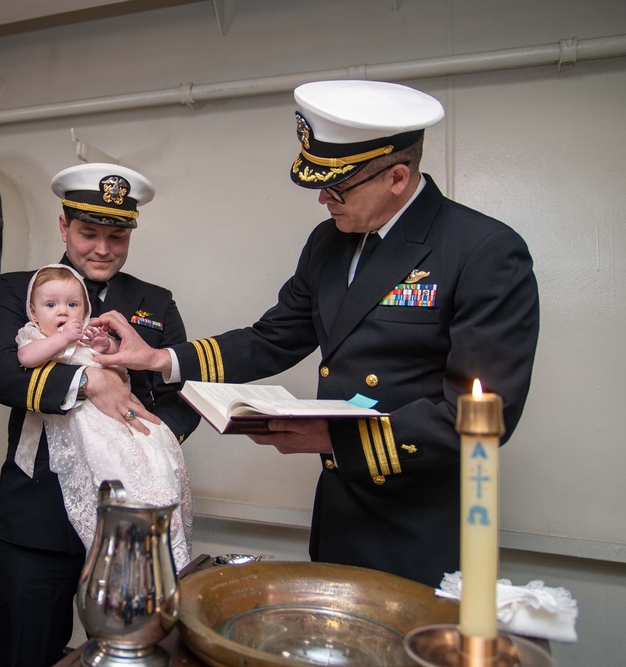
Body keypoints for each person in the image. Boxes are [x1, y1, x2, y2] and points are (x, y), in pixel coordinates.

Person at [95, 80, 540, 588]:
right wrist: (159, 359)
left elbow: (481, 416)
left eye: (338, 187)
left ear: (397, 176)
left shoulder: (481, 250)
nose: (324, 199)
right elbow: (273, 337)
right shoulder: (330, 241)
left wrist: (334, 439)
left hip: (421, 519)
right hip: (340, 509)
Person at [0, 162, 200, 666]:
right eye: (88, 233)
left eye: (116, 236)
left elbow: (184, 393)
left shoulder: (154, 301)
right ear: (63, 227)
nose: (102, 249)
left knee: (135, 652)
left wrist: (149, 438)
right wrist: (88, 381)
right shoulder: (21, 289)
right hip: (40, 513)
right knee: (29, 651)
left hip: (132, 513)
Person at [14, 263, 192, 567]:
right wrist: (64, 341)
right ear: (33, 312)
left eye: (72, 305)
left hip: (123, 418)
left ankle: (162, 517)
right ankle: (133, 525)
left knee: (156, 457)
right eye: (51, 305)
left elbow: (172, 382)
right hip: (78, 433)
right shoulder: (33, 335)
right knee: (109, 462)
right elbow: (24, 359)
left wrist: (104, 343)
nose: (62, 312)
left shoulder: (156, 300)